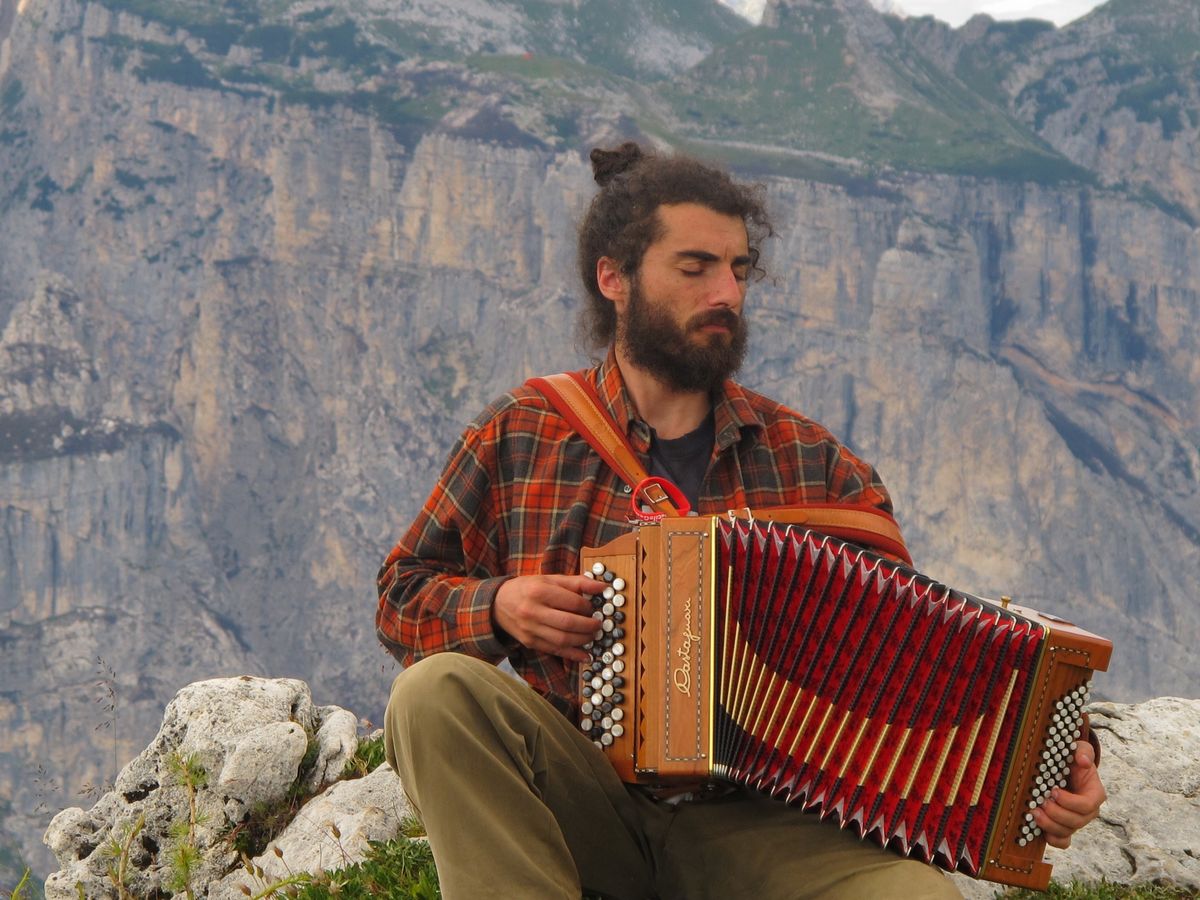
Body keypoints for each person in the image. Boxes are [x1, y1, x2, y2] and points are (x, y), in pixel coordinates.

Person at [375, 143, 1105, 899]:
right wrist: (499, 607)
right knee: (434, 695)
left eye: (740, 270)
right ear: (614, 279)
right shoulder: (526, 432)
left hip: (767, 828)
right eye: (695, 269)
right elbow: (402, 595)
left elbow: (925, 664)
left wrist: (1059, 754)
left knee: (917, 897)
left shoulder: (820, 467)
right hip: (585, 800)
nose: (726, 291)